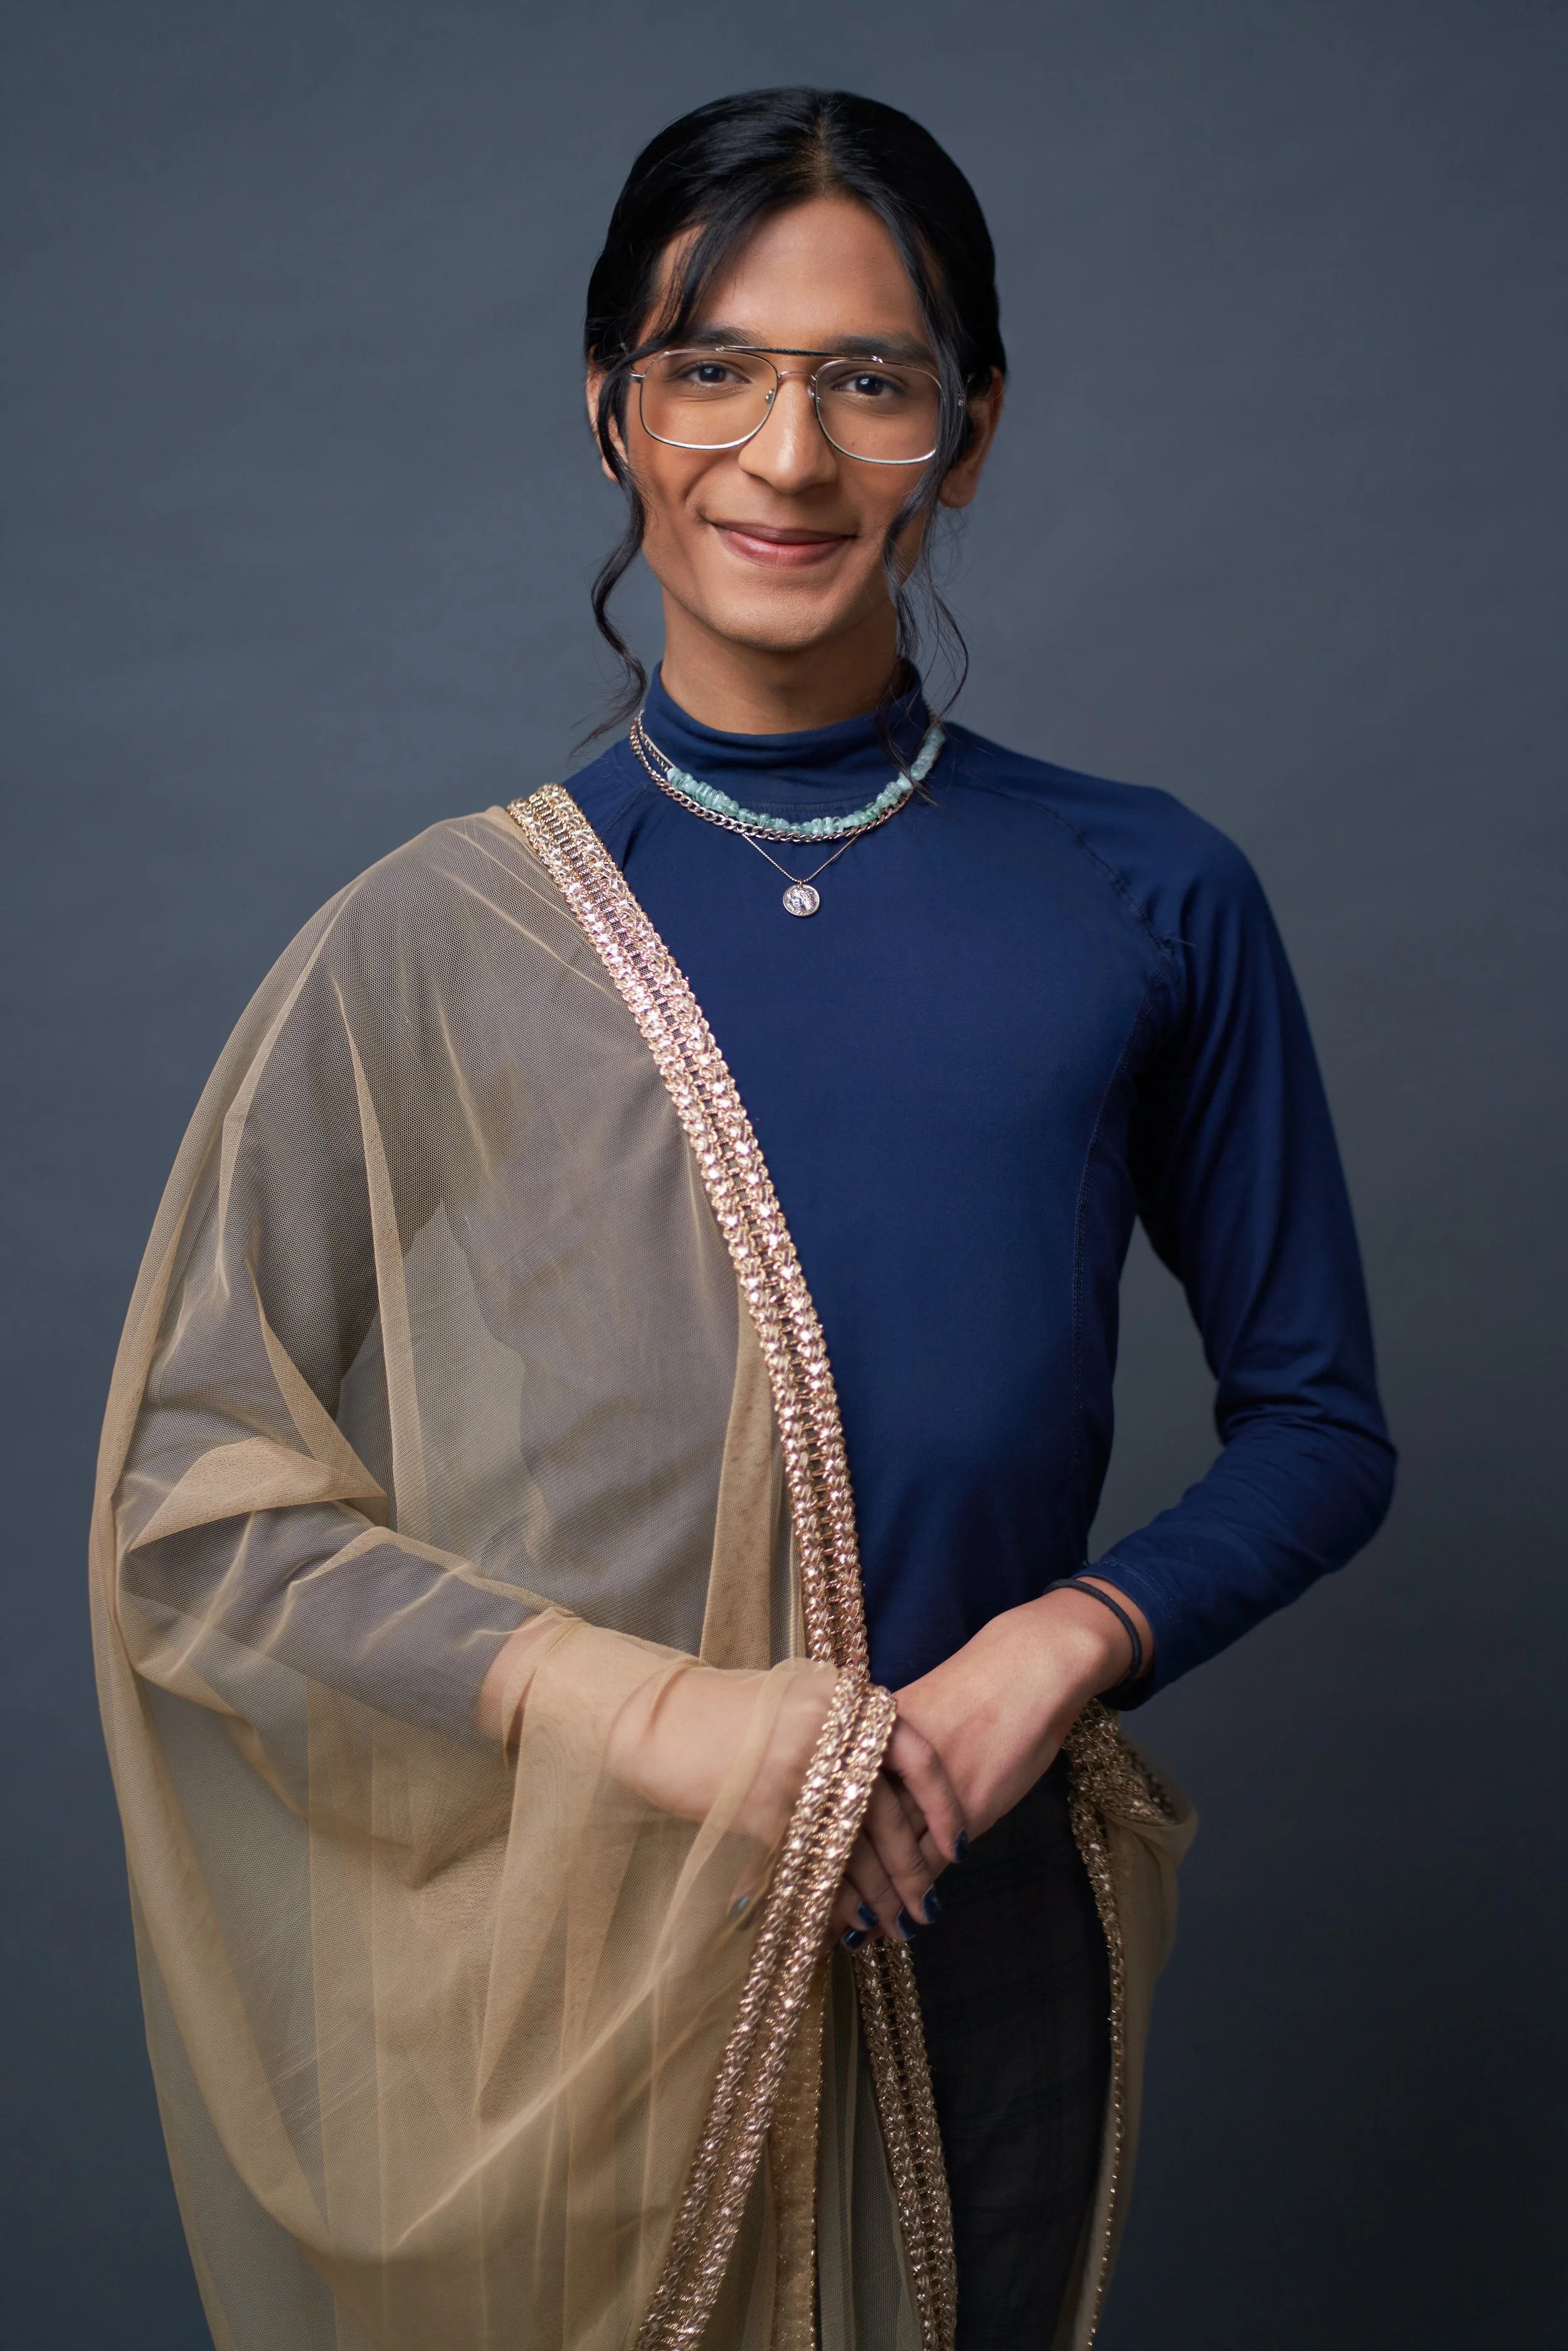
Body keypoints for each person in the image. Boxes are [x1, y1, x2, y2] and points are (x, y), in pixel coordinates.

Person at [92, 87, 1394, 2351]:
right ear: (613, 411)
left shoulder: (1146, 890)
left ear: (966, 434)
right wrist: (660, 1721)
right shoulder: (439, 943)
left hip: (971, 1894)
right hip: (565, 1948)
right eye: (713, 370)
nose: (785, 459)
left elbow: (1318, 1424)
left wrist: (1053, 1649)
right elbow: (195, 1509)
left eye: (867, 380)